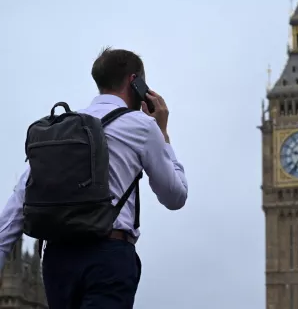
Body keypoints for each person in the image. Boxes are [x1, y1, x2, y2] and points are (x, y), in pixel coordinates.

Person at [0, 48, 188, 308]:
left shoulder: (58, 129)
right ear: (135, 81)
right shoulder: (142, 126)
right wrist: (163, 133)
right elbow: (175, 196)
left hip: (57, 261)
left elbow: (15, 209)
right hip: (108, 257)